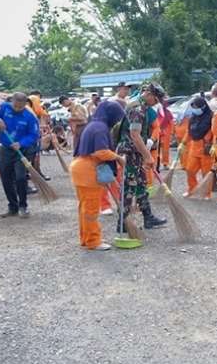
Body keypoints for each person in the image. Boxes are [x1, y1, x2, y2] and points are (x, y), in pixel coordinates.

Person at [70, 101, 127, 251]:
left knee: (84, 207)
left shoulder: (92, 124)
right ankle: (93, 241)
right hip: (88, 171)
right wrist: (119, 158)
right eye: (116, 117)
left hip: (80, 168)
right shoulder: (100, 128)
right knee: (91, 210)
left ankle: (86, 238)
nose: (116, 121)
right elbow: (100, 152)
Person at [117, 85, 168, 229]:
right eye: (156, 99)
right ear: (149, 94)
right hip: (130, 152)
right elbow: (134, 134)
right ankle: (123, 223)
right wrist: (148, 156)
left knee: (141, 184)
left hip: (136, 152)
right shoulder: (138, 109)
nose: (156, 103)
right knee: (129, 187)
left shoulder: (142, 107)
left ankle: (148, 217)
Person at [0, 92, 41, 218]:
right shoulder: (4, 107)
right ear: (12, 102)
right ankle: (12, 206)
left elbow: (34, 135)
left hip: (21, 151)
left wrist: (21, 143)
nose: (17, 109)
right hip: (5, 150)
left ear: (25, 104)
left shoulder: (29, 116)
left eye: (20, 107)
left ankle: (23, 206)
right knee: (5, 178)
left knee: (20, 178)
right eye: (15, 106)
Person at [182, 96, 214, 197]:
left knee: (206, 173)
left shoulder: (211, 117)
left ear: (203, 106)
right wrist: (183, 143)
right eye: (194, 107)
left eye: (197, 107)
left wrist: (214, 145)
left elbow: (215, 132)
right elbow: (189, 131)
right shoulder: (193, 118)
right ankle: (192, 189)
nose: (195, 109)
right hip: (194, 147)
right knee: (189, 170)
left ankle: (206, 193)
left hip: (206, 148)